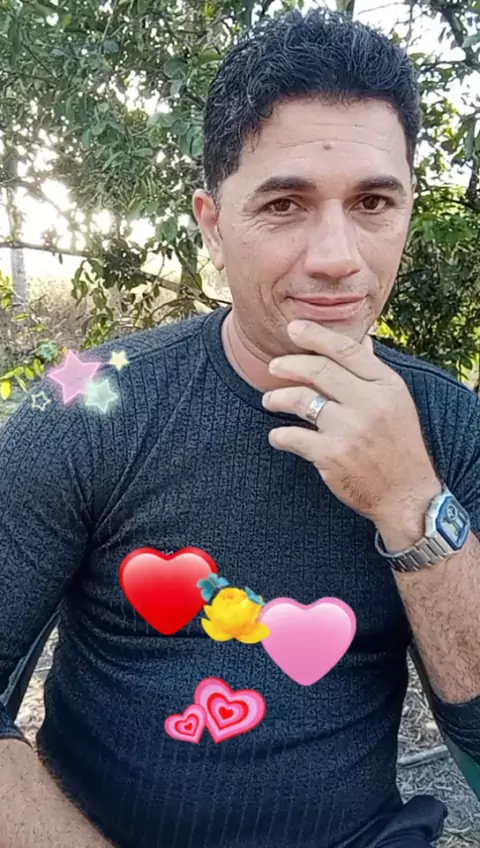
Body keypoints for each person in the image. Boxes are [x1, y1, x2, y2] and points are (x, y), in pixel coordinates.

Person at [0, 8, 479, 848]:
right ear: (212, 224)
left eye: (373, 201)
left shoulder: (449, 424)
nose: (337, 257)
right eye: (285, 204)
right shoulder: (87, 410)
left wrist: (412, 503)